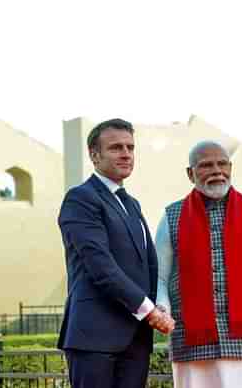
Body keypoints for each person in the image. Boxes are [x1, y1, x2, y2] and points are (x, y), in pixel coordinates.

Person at [155, 140, 242, 388]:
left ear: (231, 167)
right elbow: (159, 278)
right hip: (192, 349)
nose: (217, 171)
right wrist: (163, 311)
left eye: (222, 164)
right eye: (206, 165)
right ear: (190, 173)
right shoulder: (171, 216)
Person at [58, 118, 174, 388]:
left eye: (130, 147)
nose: (126, 154)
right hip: (94, 336)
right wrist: (150, 312)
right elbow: (101, 266)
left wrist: (159, 305)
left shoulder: (131, 204)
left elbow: (147, 265)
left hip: (135, 338)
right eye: (116, 148)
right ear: (94, 154)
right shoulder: (80, 199)